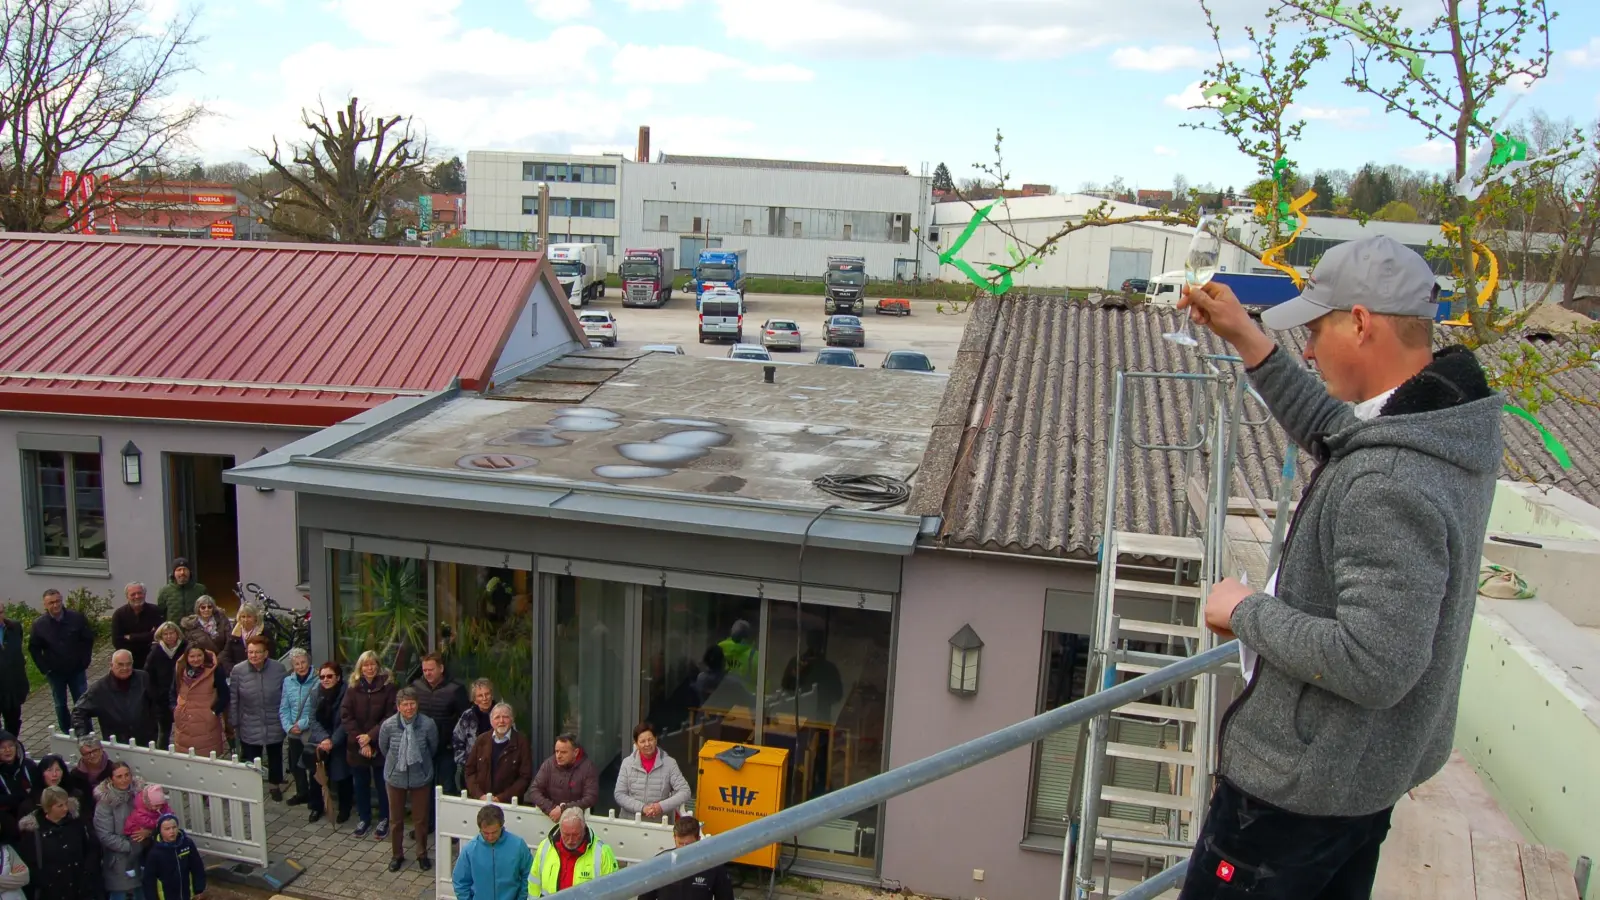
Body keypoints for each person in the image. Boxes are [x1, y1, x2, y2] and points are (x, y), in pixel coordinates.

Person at [1175, 235, 1503, 900]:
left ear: (1359, 322)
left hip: (1294, 802)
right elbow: (1338, 431)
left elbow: (1376, 662)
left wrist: (1244, 611)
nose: (1308, 350)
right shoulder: (1442, 427)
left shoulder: (1388, 480)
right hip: (1361, 779)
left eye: (1316, 330)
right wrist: (1246, 337)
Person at [377, 687, 437, 872]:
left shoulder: (428, 724)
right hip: (395, 777)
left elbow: (432, 748)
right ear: (398, 706)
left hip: (421, 777)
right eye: (405, 704)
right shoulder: (388, 725)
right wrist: (397, 765)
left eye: (412, 704)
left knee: (421, 819)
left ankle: (422, 854)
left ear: (417, 705)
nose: (409, 708)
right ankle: (397, 855)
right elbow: (384, 748)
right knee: (396, 820)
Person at [340, 650, 395, 839]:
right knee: (361, 784)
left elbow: (390, 716)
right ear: (360, 668)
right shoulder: (353, 687)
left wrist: (370, 737)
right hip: (357, 745)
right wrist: (361, 740)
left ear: (378, 666)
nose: (369, 668)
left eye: (373, 664)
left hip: (380, 744)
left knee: (382, 784)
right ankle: (364, 818)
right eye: (366, 665)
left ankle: (384, 819)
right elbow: (346, 715)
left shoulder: (388, 687)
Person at [28, 590, 94, 736]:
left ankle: (87, 731)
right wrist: (45, 669)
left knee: (82, 702)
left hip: (76, 669)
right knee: (60, 704)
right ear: (45, 605)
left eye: (58, 601)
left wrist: (85, 661)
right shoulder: (39, 625)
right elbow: (34, 648)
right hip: (55, 673)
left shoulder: (76, 618)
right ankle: (66, 733)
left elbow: (87, 639)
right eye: (51, 602)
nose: (55, 605)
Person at [17, 785, 100, 900]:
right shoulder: (34, 832)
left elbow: (90, 849)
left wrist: (87, 871)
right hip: (52, 892)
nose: (65, 808)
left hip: (79, 889)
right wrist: (44, 882)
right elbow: (29, 864)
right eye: (60, 805)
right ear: (47, 808)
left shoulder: (77, 824)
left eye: (66, 803)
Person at [230, 636, 287, 802]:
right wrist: (234, 721)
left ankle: (274, 785)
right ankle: (252, 787)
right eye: (250, 652)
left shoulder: (279, 669)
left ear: (266, 653)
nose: (253, 655)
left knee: (275, 755)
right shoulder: (238, 670)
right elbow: (234, 698)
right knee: (251, 756)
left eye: (257, 652)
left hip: (273, 719)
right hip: (249, 720)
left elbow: (285, 695)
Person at [410, 653, 469, 798]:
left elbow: (465, 720)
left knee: (447, 787)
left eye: (431, 669)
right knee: (424, 788)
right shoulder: (416, 687)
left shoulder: (456, 689)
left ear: (441, 668)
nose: (427, 673)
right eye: (425, 670)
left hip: (447, 748)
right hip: (423, 747)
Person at [71, 650, 157, 747]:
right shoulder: (99, 689)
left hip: (145, 741)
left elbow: (155, 702)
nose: (125, 668)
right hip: (117, 744)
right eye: (120, 664)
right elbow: (78, 712)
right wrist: (83, 736)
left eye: (128, 664)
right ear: (111, 665)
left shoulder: (143, 678)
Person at [302, 662, 352, 825]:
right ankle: (316, 807)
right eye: (322, 676)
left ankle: (345, 809)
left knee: (342, 775)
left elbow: (347, 720)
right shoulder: (316, 693)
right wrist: (324, 739)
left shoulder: (347, 693)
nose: (325, 679)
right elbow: (312, 719)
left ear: (338, 677)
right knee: (316, 774)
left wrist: (333, 741)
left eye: (329, 676)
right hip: (320, 739)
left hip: (339, 739)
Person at [639, 816, 734, 900]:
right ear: (674, 838)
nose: (684, 849)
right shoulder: (659, 864)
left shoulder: (713, 866)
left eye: (688, 844)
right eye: (680, 843)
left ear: (698, 839)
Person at [529, 807, 617, 897]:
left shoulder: (602, 853)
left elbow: (612, 892)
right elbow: (534, 885)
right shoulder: (545, 847)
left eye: (575, 835)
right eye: (566, 835)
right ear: (560, 829)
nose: (570, 840)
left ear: (584, 829)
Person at [451, 803, 532, 900]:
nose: (490, 837)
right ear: (480, 829)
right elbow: (460, 882)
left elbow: (529, 875)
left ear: (502, 825)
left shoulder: (518, 846)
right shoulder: (469, 850)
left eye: (494, 832)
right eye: (485, 833)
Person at [91, 762, 147, 900]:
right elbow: (105, 835)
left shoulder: (140, 795)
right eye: (119, 776)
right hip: (118, 860)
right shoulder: (105, 803)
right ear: (111, 779)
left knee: (142, 892)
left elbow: (152, 817)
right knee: (120, 894)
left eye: (127, 775)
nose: (124, 779)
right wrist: (132, 846)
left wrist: (148, 832)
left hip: (142, 854)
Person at [613, 723, 690, 820]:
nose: (647, 744)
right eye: (642, 741)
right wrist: (642, 808)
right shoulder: (627, 763)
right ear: (636, 744)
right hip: (630, 822)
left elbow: (685, 791)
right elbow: (619, 794)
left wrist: (660, 807)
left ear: (656, 739)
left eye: (650, 739)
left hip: (659, 823)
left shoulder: (670, 763)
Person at [463, 703, 532, 805]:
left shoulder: (522, 743)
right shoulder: (481, 740)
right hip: (481, 803)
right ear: (491, 721)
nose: (501, 721)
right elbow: (470, 771)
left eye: (505, 717)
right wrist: (479, 795)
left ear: (512, 720)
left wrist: (501, 798)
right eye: (497, 717)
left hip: (510, 805)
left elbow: (525, 778)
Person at [170, 647, 228, 759]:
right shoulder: (180, 669)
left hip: (206, 724)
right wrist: (175, 709)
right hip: (183, 722)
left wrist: (213, 712)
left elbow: (224, 695)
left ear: (204, 656)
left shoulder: (214, 671)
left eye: (199, 655)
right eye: (192, 656)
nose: (196, 659)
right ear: (187, 657)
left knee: (207, 760)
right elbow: (173, 691)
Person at [278, 649, 318, 808]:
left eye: (303, 662)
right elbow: (284, 707)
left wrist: (301, 725)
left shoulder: (318, 681)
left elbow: (318, 709)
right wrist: (288, 727)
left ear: (309, 662)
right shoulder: (288, 681)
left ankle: (315, 798)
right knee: (295, 765)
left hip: (311, 729)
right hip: (293, 731)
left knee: (313, 765)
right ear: (292, 666)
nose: (301, 666)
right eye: (297, 664)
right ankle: (302, 793)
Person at [530, 733, 598, 821]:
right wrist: (551, 808)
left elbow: (591, 797)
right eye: (556, 751)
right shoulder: (549, 764)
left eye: (563, 752)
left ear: (576, 752)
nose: (558, 756)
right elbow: (534, 790)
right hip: (550, 818)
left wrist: (563, 809)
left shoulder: (588, 768)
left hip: (577, 821)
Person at [142, 814, 205, 900]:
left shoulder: (187, 843)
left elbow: (197, 866)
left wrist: (199, 888)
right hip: (166, 895)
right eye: (167, 829)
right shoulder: (154, 852)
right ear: (160, 830)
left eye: (174, 827)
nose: (172, 831)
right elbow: (149, 879)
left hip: (187, 893)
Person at [144, 623, 185, 750]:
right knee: (164, 731)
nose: (169, 636)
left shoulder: (185, 648)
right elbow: (148, 675)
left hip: (183, 695)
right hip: (162, 698)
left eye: (171, 633)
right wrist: (155, 694)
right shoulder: (155, 652)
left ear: (177, 634)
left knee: (184, 729)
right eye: (165, 634)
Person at [109, 583, 164, 670]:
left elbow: (159, 635)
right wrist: (148, 635)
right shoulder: (119, 614)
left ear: (144, 594)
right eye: (133, 594)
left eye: (139, 593)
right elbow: (117, 642)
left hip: (152, 657)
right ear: (127, 597)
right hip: (129, 660)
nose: (137, 596)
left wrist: (131, 637)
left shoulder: (155, 611)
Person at [33, 755, 94, 825]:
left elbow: (87, 821)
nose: (54, 774)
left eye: (58, 770)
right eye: (49, 770)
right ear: (42, 773)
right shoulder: (33, 801)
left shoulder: (77, 796)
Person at [452, 679, 495, 778]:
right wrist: (466, 762)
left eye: (487, 694)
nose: (484, 698)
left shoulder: (501, 713)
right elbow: (457, 739)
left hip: (497, 769)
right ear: (474, 700)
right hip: (473, 769)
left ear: (492, 695)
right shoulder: (467, 716)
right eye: (480, 696)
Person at [0, 734, 38, 843]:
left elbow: (39, 788)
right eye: (2, 747)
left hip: (32, 811)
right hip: (7, 819)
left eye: (11, 746)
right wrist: (18, 798)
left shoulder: (29, 766)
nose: (8, 750)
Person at [155, 559, 207, 628]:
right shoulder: (165, 591)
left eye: (185, 569)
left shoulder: (200, 589)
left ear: (190, 572)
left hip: (196, 630)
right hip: (174, 632)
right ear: (173, 573)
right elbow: (160, 614)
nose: (182, 572)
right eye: (179, 570)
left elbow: (208, 610)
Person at [0, 611, 28, 738]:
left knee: (13, 723)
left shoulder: (15, 627)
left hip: (13, 687)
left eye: (0, 612)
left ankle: (11, 746)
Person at [177, 597, 231, 663]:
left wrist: (220, 658)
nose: (206, 609)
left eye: (209, 607)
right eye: (203, 607)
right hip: (204, 661)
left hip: (225, 658)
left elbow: (229, 641)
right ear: (198, 609)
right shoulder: (190, 626)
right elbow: (192, 648)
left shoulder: (222, 619)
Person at [222, 605, 272, 675]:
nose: (245, 620)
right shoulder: (234, 632)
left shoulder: (265, 632)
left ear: (255, 617)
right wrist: (233, 670)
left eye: (249, 616)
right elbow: (226, 656)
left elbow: (270, 654)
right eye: (243, 617)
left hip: (260, 671)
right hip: (239, 672)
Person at [716, 621, 758, 687]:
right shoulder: (756, 656)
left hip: (721, 691)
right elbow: (766, 684)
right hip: (747, 693)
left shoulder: (719, 648)